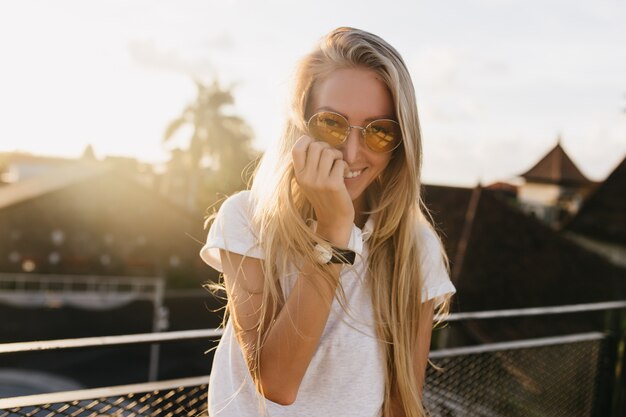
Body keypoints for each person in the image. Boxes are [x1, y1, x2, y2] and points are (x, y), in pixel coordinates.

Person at [200, 27, 456, 417]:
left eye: (380, 132)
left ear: (401, 143)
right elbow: (277, 384)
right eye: (332, 123)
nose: (352, 153)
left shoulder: (415, 251)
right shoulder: (247, 220)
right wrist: (335, 231)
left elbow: (401, 405)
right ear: (301, 122)